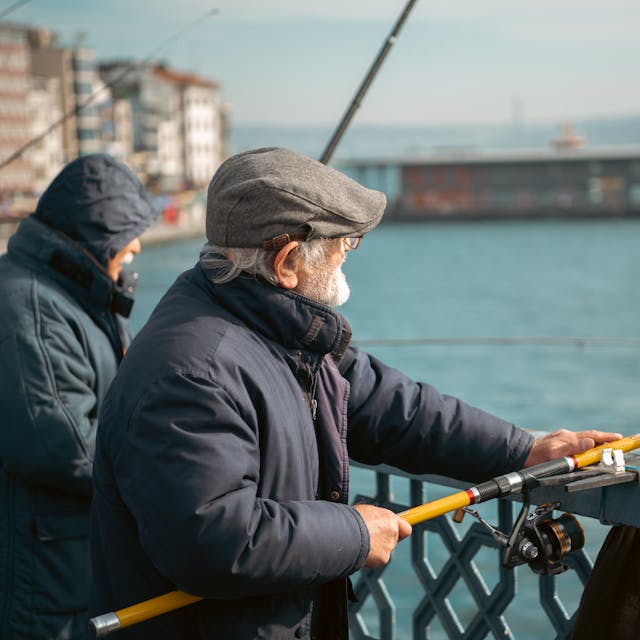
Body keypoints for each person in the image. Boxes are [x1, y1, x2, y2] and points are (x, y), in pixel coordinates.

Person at [89, 147, 619, 639]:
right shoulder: (193, 372)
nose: (348, 257)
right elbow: (211, 541)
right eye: (345, 244)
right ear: (287, 261)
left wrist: (522, 451)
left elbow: (392, 407)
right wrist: (354, 535)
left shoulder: (275, 326)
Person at [0, 154, 158, 639]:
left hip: (67, 558)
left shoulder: (69, 292)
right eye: (124, 237)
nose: (134, 246)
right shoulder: (32, 306)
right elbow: (62, 447)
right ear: (93, 238)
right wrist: (172, 465)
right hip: (45, 571)